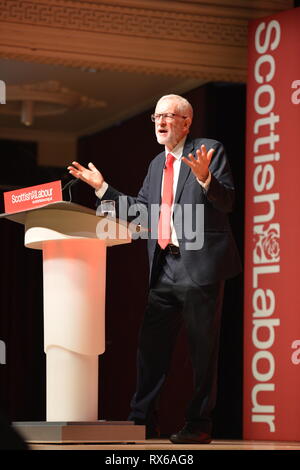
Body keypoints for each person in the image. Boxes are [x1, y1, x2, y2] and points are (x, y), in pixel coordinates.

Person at [68, 94, 241, 444]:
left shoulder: (208, 150)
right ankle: (142, 421)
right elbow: (142, 212)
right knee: (150, 350)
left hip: (200, 267)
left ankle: (198, 424)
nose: (161, 122)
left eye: (169, 116)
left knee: (201, 352)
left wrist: (207, 179)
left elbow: (228, 201)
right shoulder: (154, 165)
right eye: (156, 116)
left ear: (186, 123)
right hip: (164, 267)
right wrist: (102, 188)